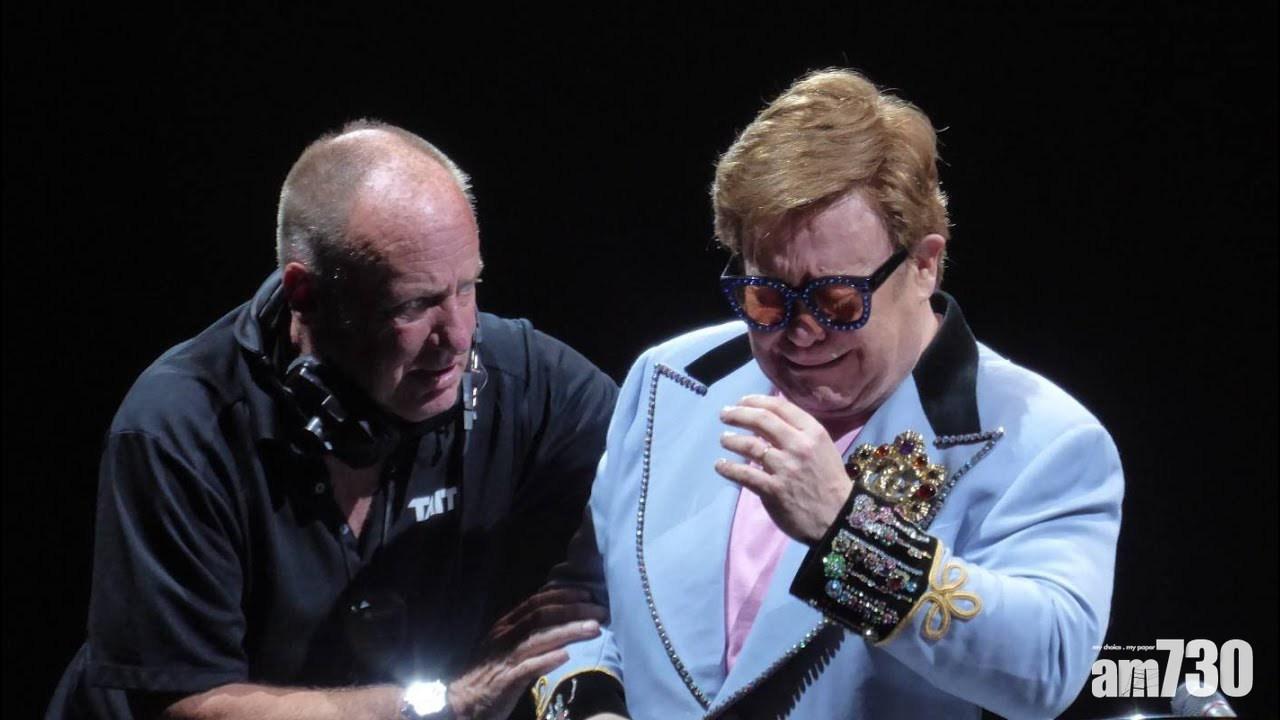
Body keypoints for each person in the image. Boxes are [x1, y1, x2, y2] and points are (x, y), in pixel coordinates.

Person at [535, 69, 1124, 719]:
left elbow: (1047, 670)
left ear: (924, 264)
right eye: (766, 297)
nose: (801, 331)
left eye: (837, 299)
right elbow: (583, 603)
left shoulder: (1041, 438)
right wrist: (592, 707)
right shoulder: (668, 380)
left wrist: (848, 534)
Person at [47, 121, 619, 720]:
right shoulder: (177, 428)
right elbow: (193, 706)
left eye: (468, 287)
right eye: (413, 304)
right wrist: (443, 703)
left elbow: (657, 489)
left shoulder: (526, 381)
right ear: (306, 295)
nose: (457, 336)